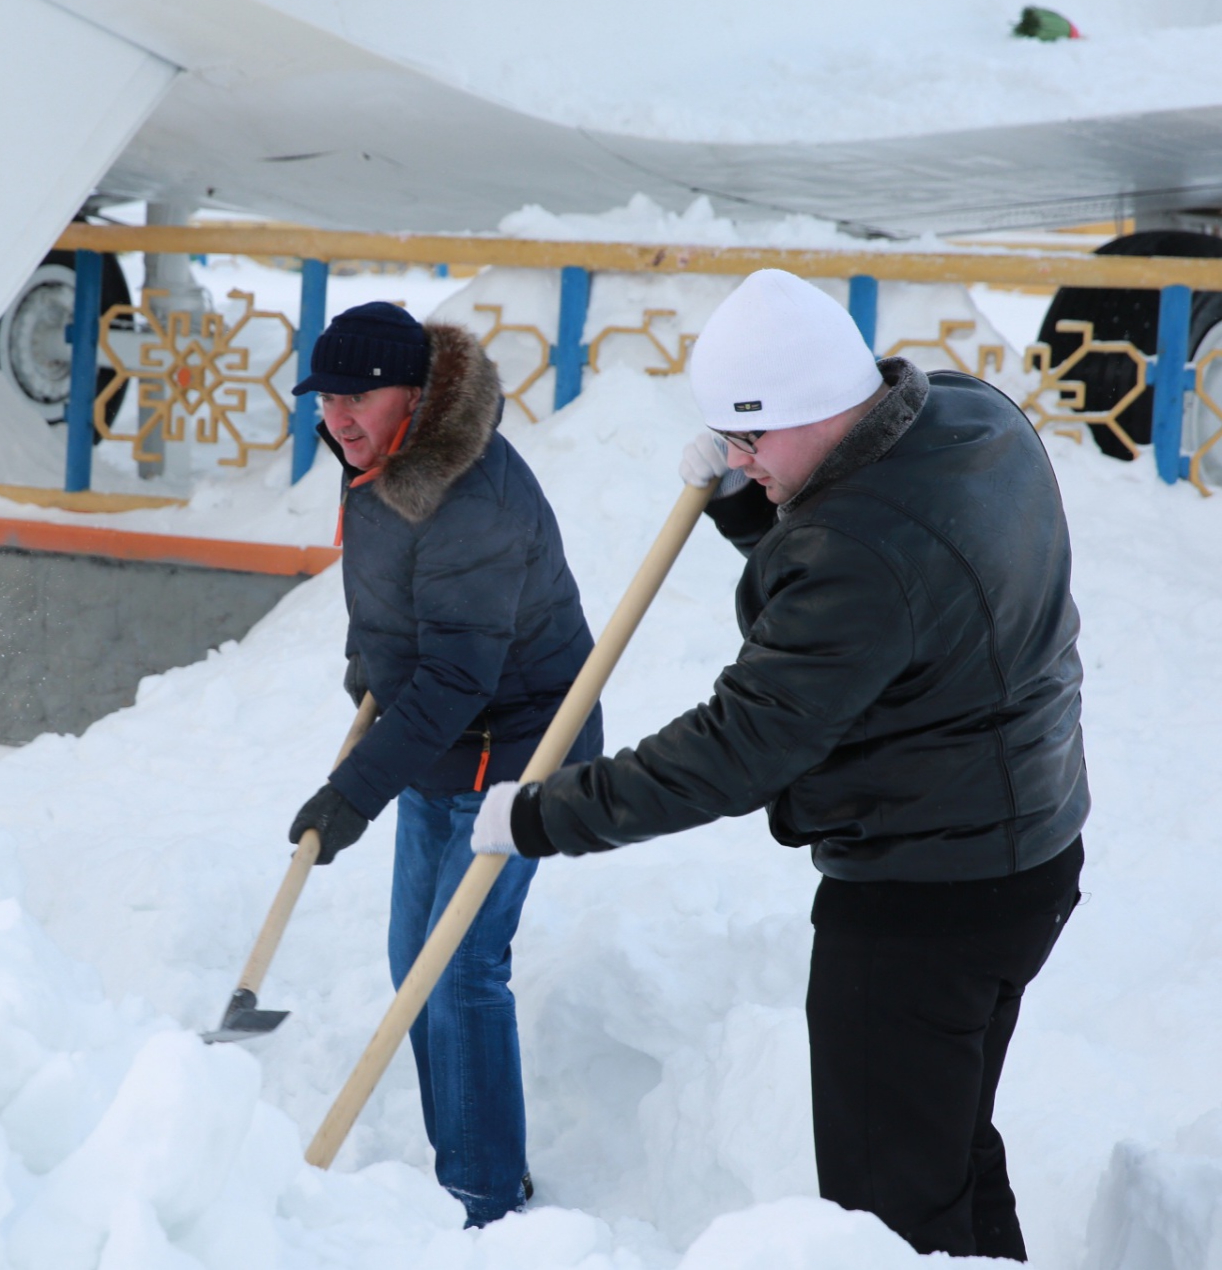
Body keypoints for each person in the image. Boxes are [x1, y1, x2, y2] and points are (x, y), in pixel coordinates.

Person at [473, 269, 1087, 1260]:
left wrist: (547, 814)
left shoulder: (856, 554)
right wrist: (750, 508)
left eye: (751, 437)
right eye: (728, 439)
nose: (739, 458)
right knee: (949, 1151)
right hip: (1027, 853)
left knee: (890, 1207)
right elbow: (894, 583)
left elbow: (738, 747)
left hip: (923, 898)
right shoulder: (970, 415)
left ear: (819, 406)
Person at [285, 301, 603, 1228]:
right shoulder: (376, 462)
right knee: (411, 962)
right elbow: (388, 585)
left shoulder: (473, 499)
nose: (338, 416)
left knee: (459, 964)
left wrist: (351, 795)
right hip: (437, 739)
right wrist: (368, 657)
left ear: (416, 398)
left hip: (518, 744)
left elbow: (462, 672)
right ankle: (463, 1163)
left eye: (359, 396)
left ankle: (483, 1196)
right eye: (326, 396)